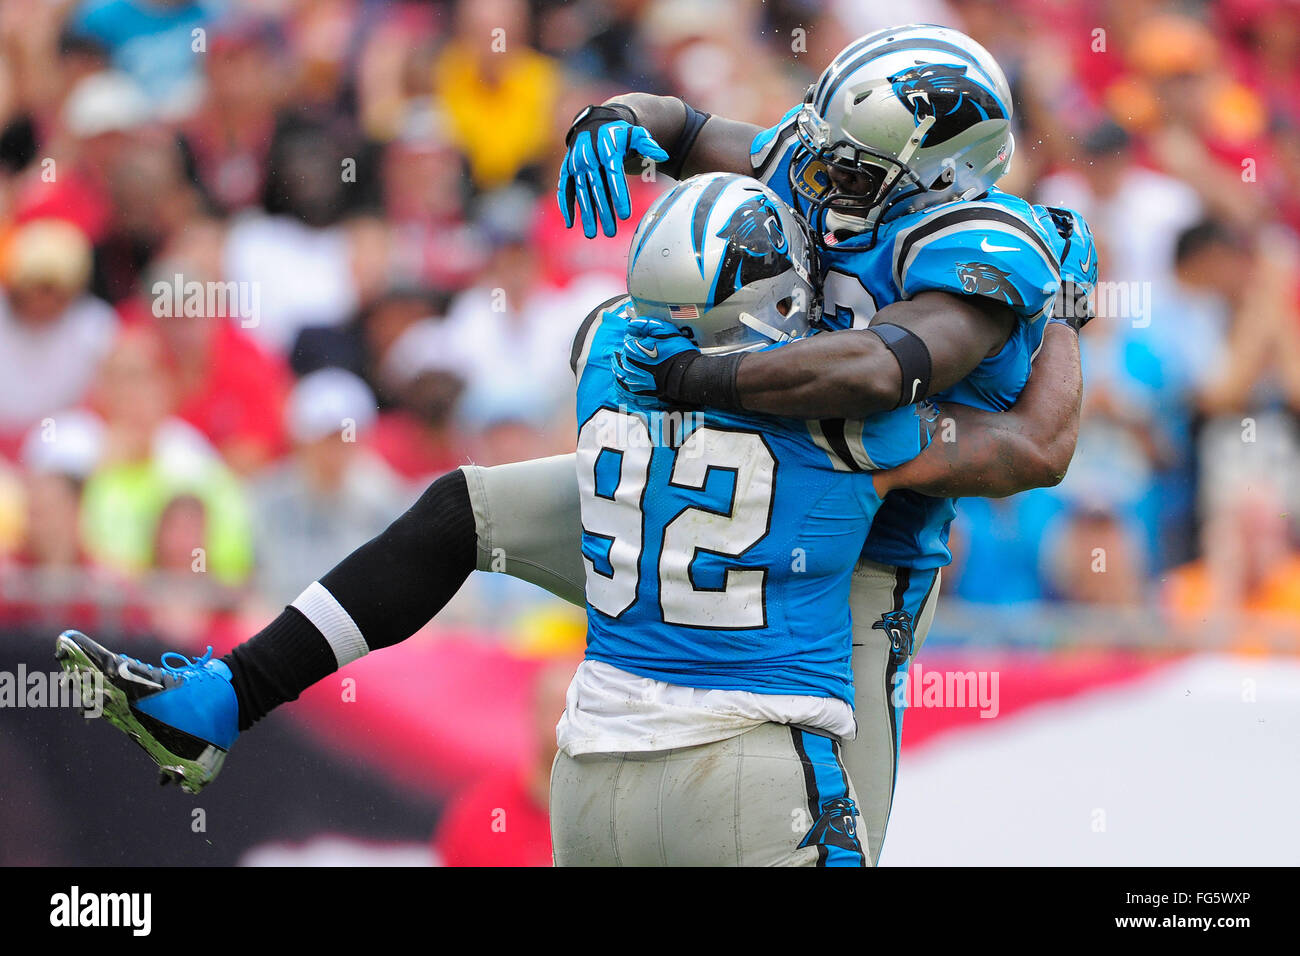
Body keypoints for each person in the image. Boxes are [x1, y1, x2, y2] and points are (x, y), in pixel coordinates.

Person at [54, 25, 1095, 866]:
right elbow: (698, 132)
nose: (811, 187)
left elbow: (920, 387)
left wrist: (697, 378)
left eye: (849, 175)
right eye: (815, 154)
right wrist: (622, 114)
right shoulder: (846, 184)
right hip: (820, 491)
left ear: (944, 185)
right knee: (468, 507)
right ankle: (225, 694)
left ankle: (221, 699)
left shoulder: (966, 261)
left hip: (857, 566)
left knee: (479, 512)